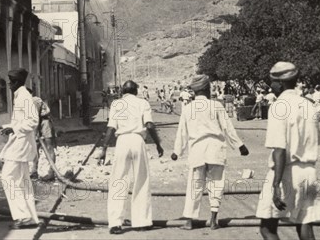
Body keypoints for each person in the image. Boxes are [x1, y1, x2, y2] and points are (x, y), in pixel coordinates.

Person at [171, 74, 249, 230]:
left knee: (195, 185)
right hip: (215, 148)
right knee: (216, 184)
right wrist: (240, 145)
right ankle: (213, 219)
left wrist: (177, 152)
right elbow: (227, 128)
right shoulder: (216, 106)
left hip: (197, 150)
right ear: (207, 89)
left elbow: (182, 132)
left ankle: (189, 221)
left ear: (194, 91)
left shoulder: (188, 108)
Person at [256, 62, 320, 240]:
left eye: (273, 82)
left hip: (286, 172)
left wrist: (276, 184)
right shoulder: (309, 105)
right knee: (305, 227)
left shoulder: (279, 106)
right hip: (308, 171)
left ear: (280, 83)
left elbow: (279, 149)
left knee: (267, 228)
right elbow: (316, 141)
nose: (272, 86)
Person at [97, 80, 164, 235]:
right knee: (141, 180)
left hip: (122, 141)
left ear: (122, 91)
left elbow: (111, 128)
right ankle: (142, 221)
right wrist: (158, 144)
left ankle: (115, 223)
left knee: (118, 181)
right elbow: (149, 125)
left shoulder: (116, 104)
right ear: (136, 91)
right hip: (138, 140)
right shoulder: (143, 103)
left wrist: (104, 148)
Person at [0, 68, 40, 229]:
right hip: (20, 143)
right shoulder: (20, 96)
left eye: (10, 81)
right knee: (22, 182)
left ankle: (23, 217)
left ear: (16, 82)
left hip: (21, 144)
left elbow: (32, 121)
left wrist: (14, 129)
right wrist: (10, 127)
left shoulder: (24, 97)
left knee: (8, 178)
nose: (8, 84)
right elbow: (22, 121)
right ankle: (30, 217)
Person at [29, 88, 57, 182]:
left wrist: (36, 132)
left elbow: (36, 117)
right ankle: (34, 171)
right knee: (35, 147)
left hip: (45, 123)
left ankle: (51, 172)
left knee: (49, 147)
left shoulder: (34, 101)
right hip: (37, 124)